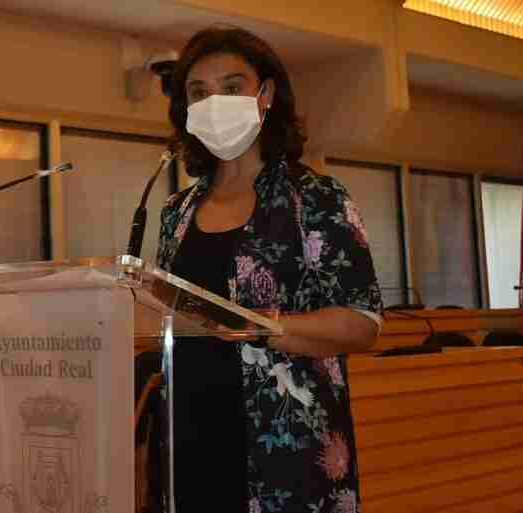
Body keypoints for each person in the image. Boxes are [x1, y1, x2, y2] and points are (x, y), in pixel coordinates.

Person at [155, 26, 382, 513]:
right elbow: (163, 311)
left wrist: (264, 326)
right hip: (190, 441)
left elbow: (363, 323)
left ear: (266, 95)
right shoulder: (176, 212)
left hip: (288, 452)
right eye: (199, 92)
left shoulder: (316, 198)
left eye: (232, 87)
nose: (215, 102)